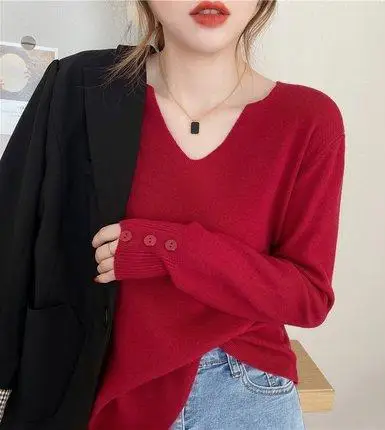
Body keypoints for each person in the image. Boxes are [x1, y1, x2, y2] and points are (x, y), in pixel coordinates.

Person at [0, 0, 345, 429]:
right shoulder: (82, 87)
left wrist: (167, 249)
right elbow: (13, 238)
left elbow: (309, 297)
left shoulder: (307, 119)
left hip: (244, 392)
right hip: (97, 385)